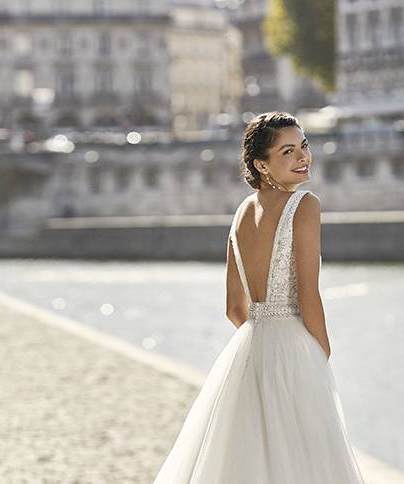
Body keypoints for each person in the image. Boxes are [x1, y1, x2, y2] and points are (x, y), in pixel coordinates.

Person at [152, 112, 366, 483]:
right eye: (287, 151)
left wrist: (262, 337)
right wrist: (318, 353)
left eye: (304, 146)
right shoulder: (305, 205)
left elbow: (234, 308)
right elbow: (309, 294)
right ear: (261, 164)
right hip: (293, 348)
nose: (303, 158)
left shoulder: (241, 214)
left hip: (248, 349)